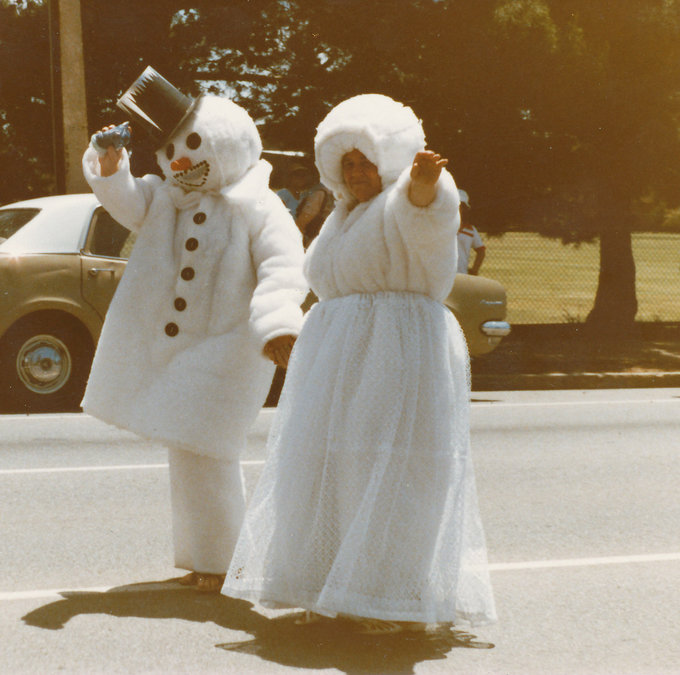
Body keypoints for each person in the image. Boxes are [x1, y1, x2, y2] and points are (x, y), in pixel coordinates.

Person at [223, 94, 497, 632]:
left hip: (394, 351)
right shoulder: (342, 216)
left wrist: (422, 183)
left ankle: (385, 598)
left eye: (365, 161)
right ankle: (327, 587)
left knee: (389, 468)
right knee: (327, 465)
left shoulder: (406, 200)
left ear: (389, 161)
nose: (355, 173)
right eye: (346, 163)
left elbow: (428, 216)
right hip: (341, 353)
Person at [81, 67, 307, 593]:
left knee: (207, 449)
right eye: (171, 151)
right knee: (189, 450)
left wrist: (277, 325)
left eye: (192, 145)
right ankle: (211, 560)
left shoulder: (258, 206)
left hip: (231, 347)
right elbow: (127, 201)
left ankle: (229, 562)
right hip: (183, 349)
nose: (179, 160)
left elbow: (283, 267)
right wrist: (113, 167)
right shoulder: (169, 198)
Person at [294, 180, 334, 248]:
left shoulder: (320, 193)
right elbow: (302, 222)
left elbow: (301, 223)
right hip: (317, 243)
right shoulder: (321, 193)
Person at [457, 189, 486, 275]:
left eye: (461, 206)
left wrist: (474, 270)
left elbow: (481, 251)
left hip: (462, 275)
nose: (458, 209)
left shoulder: (471, 230)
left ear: (464, 209)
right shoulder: (441, 227)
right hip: (442, 278)